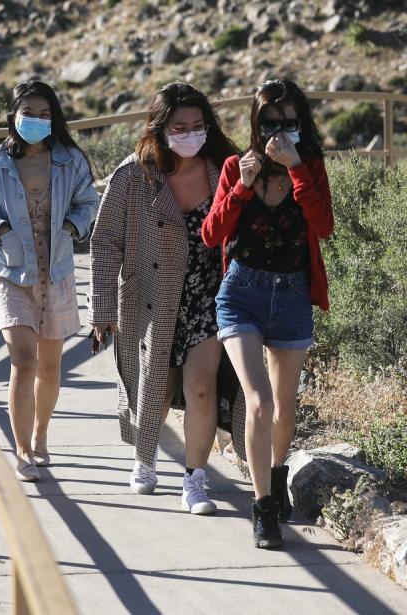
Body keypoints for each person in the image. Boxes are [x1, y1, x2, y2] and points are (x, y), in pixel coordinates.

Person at [88, 82, 240, 514]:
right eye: (179, 126)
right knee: (156, 384)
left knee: (202, 388)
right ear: (160, 128)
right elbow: (105, 243)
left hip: (207, 300)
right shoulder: (133, 176)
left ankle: (194, 481)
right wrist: (101, 310)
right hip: (150, 299)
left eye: (198, 125)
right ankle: (145, 457)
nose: (190, 134)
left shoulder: (223, 170)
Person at [203, 78, 333, 548]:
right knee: (257, 401)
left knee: (283, 408)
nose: (280, 130)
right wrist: (241, 186)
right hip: (243, 293)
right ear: (257, 124)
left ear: (302, 123)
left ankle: (277, 480)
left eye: (290, 122)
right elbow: (212, 235)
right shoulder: (240, 166)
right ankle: (263, 510)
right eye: (271, 122)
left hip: (293, 296)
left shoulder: (311, 166)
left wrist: (296, 169)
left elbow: (324, 226)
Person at [0, 80, 100, 482]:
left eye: (45, 114)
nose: (37, 121)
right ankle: (21, 451)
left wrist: (74, 227)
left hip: (55, 272)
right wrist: (0, 230)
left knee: (51, 367)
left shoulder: (71, 160)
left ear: (54, 118)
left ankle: (40, 436)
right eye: (29, 113)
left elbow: (88, 201)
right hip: (9, 272)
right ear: (13, 116)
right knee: (23, 360)